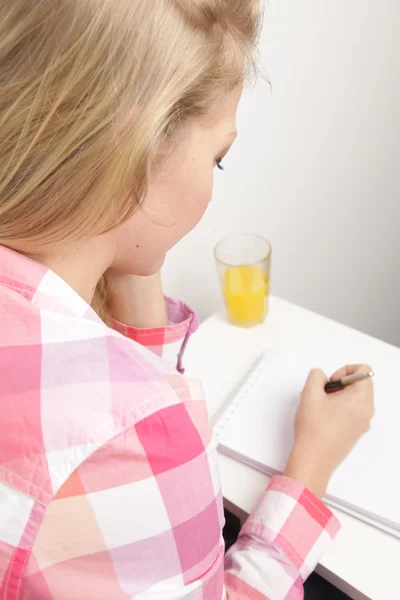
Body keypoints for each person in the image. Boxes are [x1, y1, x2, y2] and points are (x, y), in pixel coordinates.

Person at [0, 1, 374, 599]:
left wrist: (121, 245)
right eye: (217, 156)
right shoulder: (137, 430)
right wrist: (311, 466)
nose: (213, 179)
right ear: (136, 148)